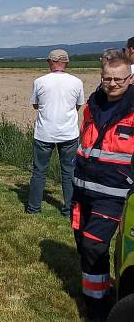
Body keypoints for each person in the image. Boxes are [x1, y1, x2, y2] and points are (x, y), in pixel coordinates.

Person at [72, 56, 134, 318]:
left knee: (93, 245)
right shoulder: (91, 105)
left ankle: (99, 309)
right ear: (101, 77)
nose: (112, 83)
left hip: (114, 194)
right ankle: (95, 295)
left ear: (130, 79)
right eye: (107, 78)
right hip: (83, 189)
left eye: (118, 79)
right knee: (83, 246)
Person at [26, 49, 85, 216]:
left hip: (44, 133)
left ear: (50, 62)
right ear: (66, 62)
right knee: (69, 172)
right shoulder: (77, 82)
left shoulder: (40, 81)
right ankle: (69, 211)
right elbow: (78, 105)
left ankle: (34, 208)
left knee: (39, 172)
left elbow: (35, 105)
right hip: (68, 134)